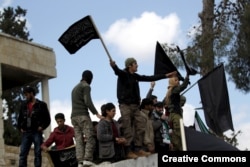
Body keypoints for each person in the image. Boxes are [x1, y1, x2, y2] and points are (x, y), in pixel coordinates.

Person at [110, 57, 176, 159]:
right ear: (130, 65)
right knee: (127, 127)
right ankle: (128, 151)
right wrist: (114, 66)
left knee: (141, 124)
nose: (137, 65)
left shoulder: (135, 76)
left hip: (135, 106)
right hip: (125, 105)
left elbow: (149, 77)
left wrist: (165, 76)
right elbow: (117, 71)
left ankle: (138, 149)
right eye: (135, 64)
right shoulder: (123, 74)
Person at [71, 70, 103, 167]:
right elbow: (87, 101)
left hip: (74, 117)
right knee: (90, 137)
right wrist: (96, 113)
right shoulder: (86, 86)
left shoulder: (75, 88)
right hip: (83, 115)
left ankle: (80, 160)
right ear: (90, 78)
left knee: (79, 139)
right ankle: (87, 159)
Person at [17, 86, 51, 167]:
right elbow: (20, 118)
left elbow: (48, 119)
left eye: (27, 94)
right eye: (25, 95)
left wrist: (42, 127)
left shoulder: (41, 105)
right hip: (26, 131)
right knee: (23, 153)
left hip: (36, 132)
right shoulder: (23, 105)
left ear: (32, 94)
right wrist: (20, 127)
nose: (26, 96)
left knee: (38, 153)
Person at [164, 72, 190, 151]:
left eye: (178, 80)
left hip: (174, 115)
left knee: (176, 135)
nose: (178, 82)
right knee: (180, 134)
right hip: (176, 115)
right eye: (176, 80)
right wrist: (187, 77)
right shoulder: (174, 90)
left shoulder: (171, 92)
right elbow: (183, 87)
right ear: (172, 82)